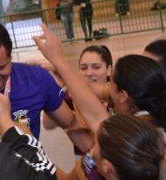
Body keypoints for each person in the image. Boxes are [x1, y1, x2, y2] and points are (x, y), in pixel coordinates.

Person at [33, 24, 165, 180]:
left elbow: (96, 118)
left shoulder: (127, 137)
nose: (105, 87)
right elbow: (94, 114)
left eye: (111, 85)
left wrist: (26, 147)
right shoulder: (147, 126)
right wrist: (60, 67)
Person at [0, 21, 76, 141]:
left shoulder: (36, 79)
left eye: (0, 68)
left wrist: (62, 82)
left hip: (28, 158)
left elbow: (70, 121)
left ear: (11, 58)